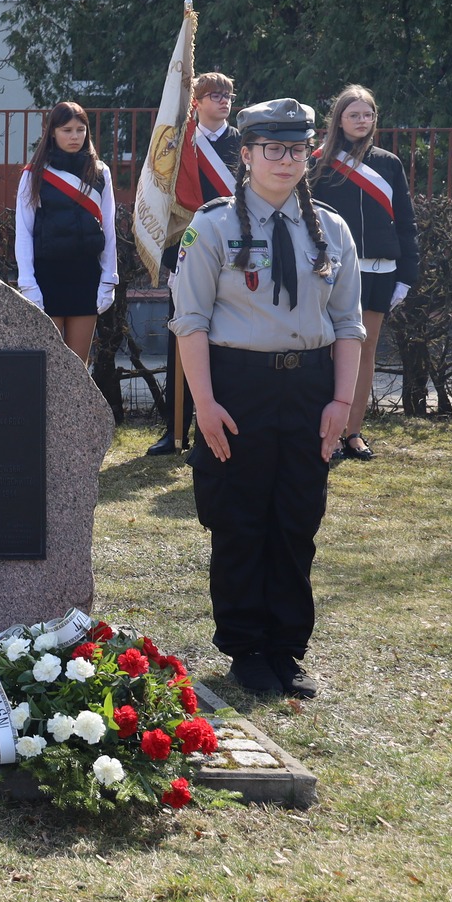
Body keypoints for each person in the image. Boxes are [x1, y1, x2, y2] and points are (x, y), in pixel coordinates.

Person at [168, 98, 364, 699]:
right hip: (238, 387)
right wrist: (203, 404)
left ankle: (287, 647)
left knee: (297, 519)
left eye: (296, 148)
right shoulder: (213, 225)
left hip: (308, 386)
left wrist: (340, 404)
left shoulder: (330, 229)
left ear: (309, 155)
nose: (284, 159)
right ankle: (246, 648)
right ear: (246, 155)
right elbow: (190, 321)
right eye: (271, 148)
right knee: (239, 518)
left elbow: (349, 325)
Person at [310, 85, 417, 462]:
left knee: (364, 352)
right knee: (327, 351)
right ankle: (326, 433)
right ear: (339, 118)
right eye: (354, 114)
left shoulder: (389, 163)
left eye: (367, 114)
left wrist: (406, 275)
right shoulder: (318, 161)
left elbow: (405, 222)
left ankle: (352, 432)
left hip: (379, 271)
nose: (361, 120)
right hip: (333, 272)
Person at [148, 72, 242, 456]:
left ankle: (218, 428)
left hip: (235, 255)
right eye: (215, 95)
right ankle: (174, 431)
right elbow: (166, 203)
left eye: (229, 95)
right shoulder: (179, 141)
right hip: (188, 256)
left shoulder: (243, 143)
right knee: (182, 345)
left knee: (230, 344)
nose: (224, 101)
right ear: (196, 102)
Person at [14, 101, 120, 364]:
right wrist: (28, 283)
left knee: (77, 367)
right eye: (66, 130)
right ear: (52, 132)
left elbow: (108, 228)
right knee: (48, 367)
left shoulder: (100, 171)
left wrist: (109, 278)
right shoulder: (33, 174)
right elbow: (24, 231)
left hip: (85, 275)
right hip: (47, 275)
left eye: (80, 129)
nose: (74, 136)